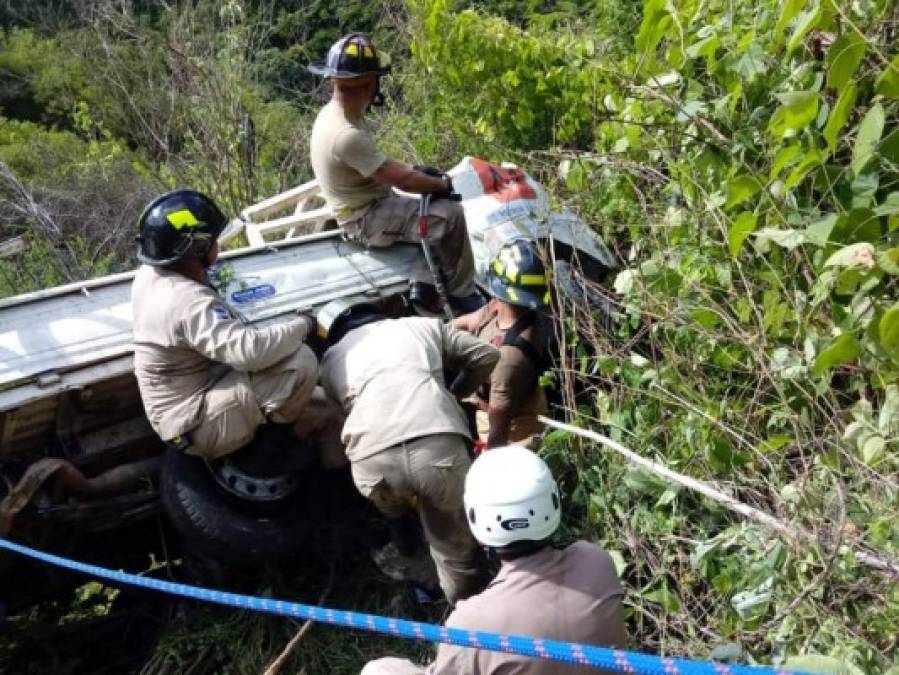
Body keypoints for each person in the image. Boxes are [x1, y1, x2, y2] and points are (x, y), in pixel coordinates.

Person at [361, 445, 627, 675]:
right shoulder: (596, 561)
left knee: (378, 670)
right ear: (552, 501)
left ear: (476, 517)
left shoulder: (472, 623)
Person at [131, 189, 342, 465]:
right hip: (195, 423)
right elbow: (250, 353)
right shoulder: (187, 301)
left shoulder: (151, 275)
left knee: (326, 409)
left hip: (184, 402)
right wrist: (304, 324)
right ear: (196, 249)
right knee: (300, 362)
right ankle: (274, 440)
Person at [317, 298, 500, 604]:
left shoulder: (331, 359)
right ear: (375, 313)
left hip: (372, 460)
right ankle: (468, 607)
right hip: (436, 446)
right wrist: (453, 394)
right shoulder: (420, 326)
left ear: (335, 333)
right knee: (454, 548)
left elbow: (339, 417)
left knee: (393, 505)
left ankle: (407, 546)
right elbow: (486, 354)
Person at [308, 33, 482, 314]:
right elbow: (401, 179)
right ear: (367, 84)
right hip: (365, 218)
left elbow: (383, 165)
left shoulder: (336, 115)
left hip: (367, 200)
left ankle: (423, 284)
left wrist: (417, 171)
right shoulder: (345, 133)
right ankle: (464, 294)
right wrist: (440, 183)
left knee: (429, 209)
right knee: (450, 216)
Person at [453, 240, 551, 449]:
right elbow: (468, 322)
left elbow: (497, 439)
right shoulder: (499, 307)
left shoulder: (509, 359)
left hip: (516, 433)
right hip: (491, 404)